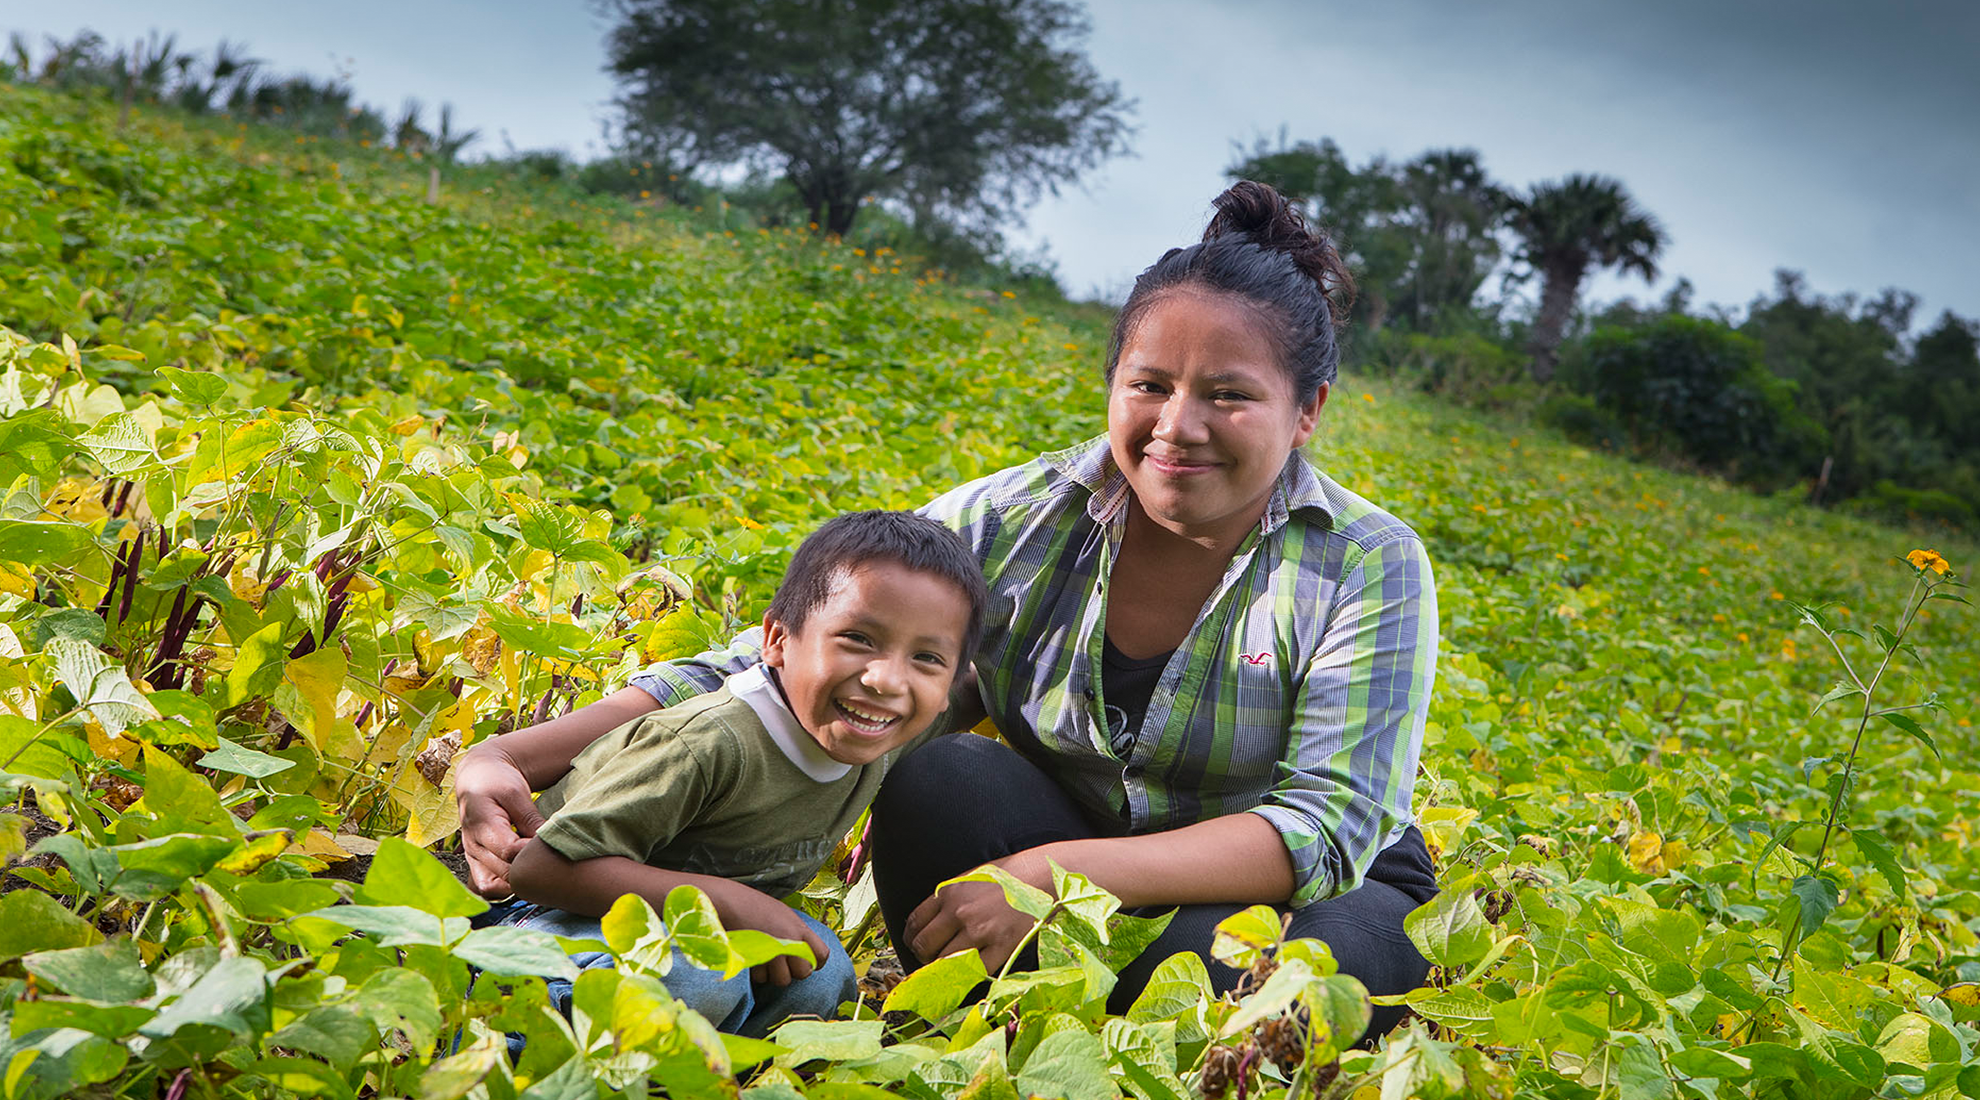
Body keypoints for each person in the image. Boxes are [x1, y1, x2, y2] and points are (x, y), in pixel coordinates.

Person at [457, 181, 1440, 1033]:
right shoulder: (1017, 515)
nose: (1176, 427)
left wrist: (1055, 876)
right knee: (941, 776)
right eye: (1149, 383)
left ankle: (1086, 1009)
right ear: (1112, 386)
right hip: (1067, 851)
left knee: (1302, 989)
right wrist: (507, 754)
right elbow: (763, 666)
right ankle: (1014, 1014)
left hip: (1284, 900)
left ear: (1305, 410)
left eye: (1227, 395)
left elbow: (1328, 823)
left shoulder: (1363, 561)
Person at [477, 510, 986, 1038]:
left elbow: (988, 691)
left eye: (926, 657)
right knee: (700, 983)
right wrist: (730, 905)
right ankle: (515, 1035)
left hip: (690, 925)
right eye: (858, 639)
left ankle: (700, 1068)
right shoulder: (709, 743)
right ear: (778, 640)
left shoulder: (881, 725)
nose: (885, 680)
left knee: (824, 974)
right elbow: (538, 871)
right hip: (543, 915)